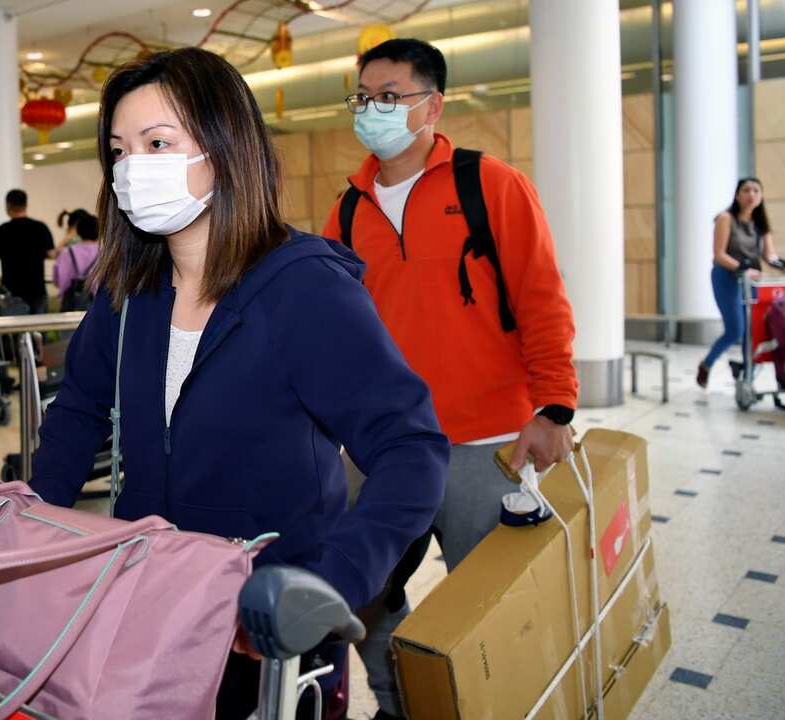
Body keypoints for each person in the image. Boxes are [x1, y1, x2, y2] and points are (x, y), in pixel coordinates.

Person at [28, 48, 449, 719]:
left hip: (269, 623)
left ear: (224, 151)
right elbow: (79, 405)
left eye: (158, 143)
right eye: (119, 151)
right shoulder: (129, 292)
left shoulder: (302, 287)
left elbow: (411, 447)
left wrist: (324, 586)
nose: (133, 169)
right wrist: (32, 528)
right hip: (154, 601)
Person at [320, 38, 578, 720]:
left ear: (433, 105)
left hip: (487, 442)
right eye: (363, 97)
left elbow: (541, 298)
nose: (371, 110)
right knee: (359, 589)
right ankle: (397, 702)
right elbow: (330, 327)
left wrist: (553, 408)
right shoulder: (346, 211)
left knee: (496, 605)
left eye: (390, 96)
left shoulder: (489, 185)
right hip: (383, 446)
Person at [697, 178, 782, 388]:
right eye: (746, 190)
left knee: (753, 330)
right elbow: (719, 255)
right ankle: (706, 364)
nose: (751, 194)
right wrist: (743, 269)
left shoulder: (761, 225)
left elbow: (770, 256)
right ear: (737, 195)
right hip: (727, 278)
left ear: (761, 197)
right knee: (736, 330)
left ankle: (746, 376)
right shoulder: (726, 219)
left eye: (756, 191)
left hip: (751, 281)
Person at [0, 189, 54, 313]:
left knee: (13, 330)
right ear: (26, 205)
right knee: (39, 328)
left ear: (7, 206)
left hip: (11, 294)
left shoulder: (1, 231)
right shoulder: (40, 227)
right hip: (37, 290)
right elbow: (51, 254)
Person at [51, 213, 99, 310]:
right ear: (99, 231)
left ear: (78, 231)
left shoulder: (66, 253)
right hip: (97, 306)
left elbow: (57, 282)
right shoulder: (107, 254)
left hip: (70, 304)